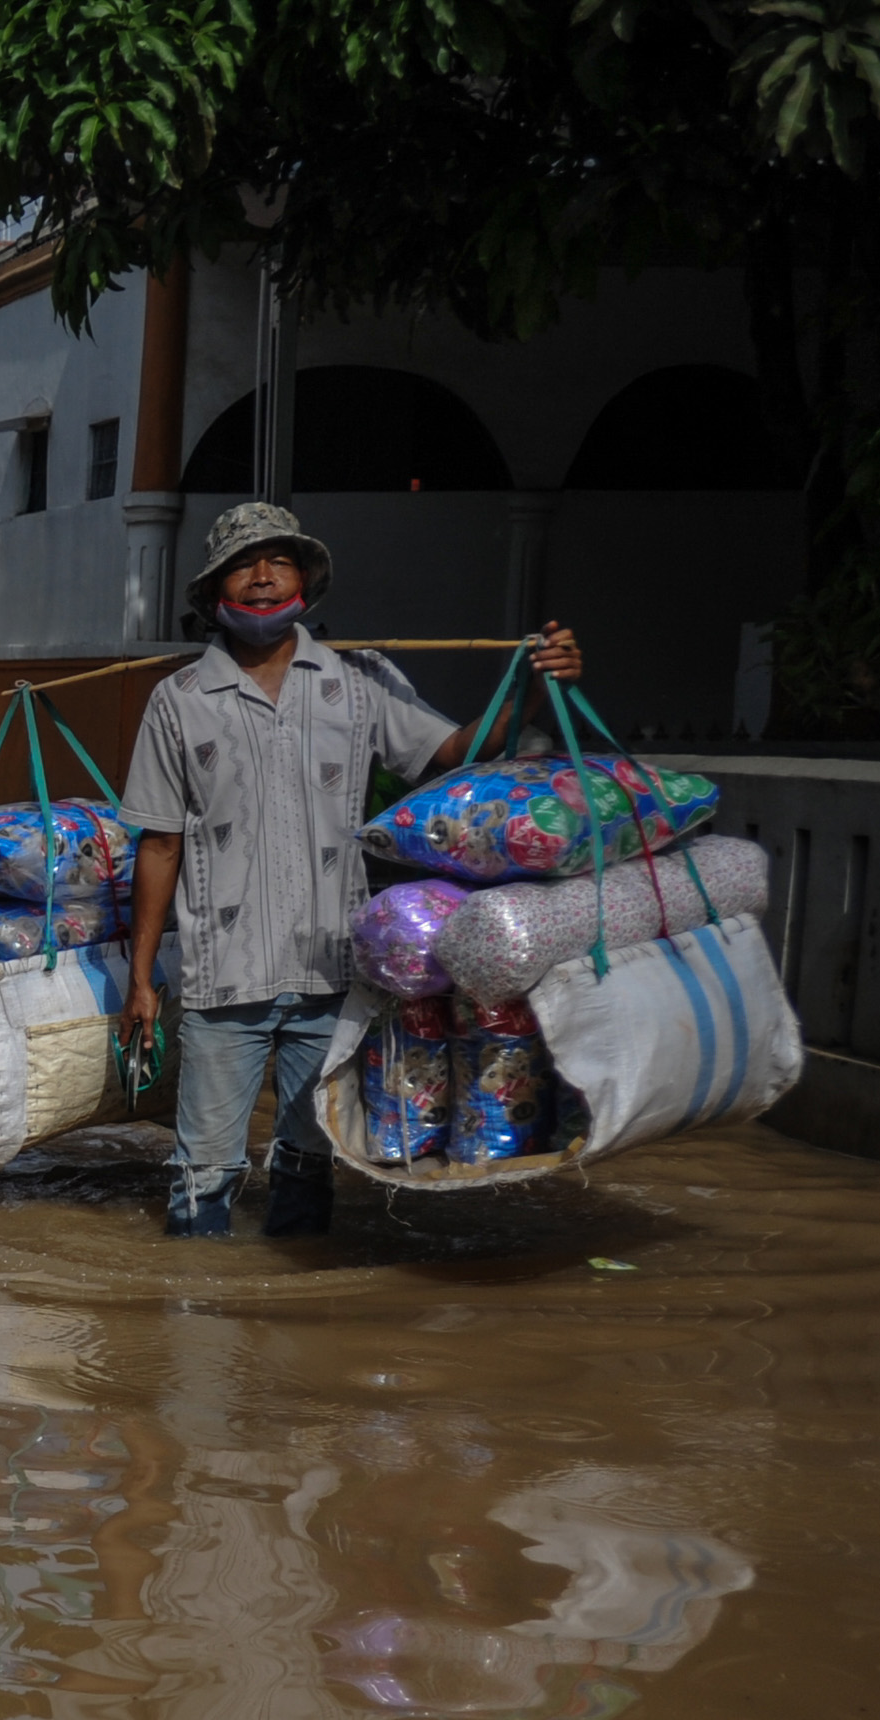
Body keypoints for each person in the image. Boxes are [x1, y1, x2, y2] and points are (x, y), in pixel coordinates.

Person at [119, 502, 582, 1239]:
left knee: (309, 1159)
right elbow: (160, 845)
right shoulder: (177, 702)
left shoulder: (356, 682)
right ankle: (194, 1324)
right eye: (245, 563)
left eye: (280, 560)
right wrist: (143, 980)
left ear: (305, 577)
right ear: (213, 594)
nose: (264, 576)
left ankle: (284, 1329)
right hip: (221, 979)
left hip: (332, 974)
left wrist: (526, 686)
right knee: (205, 1171)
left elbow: (453, 752)